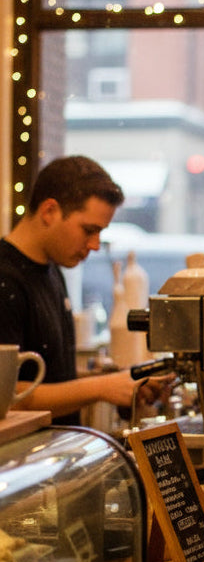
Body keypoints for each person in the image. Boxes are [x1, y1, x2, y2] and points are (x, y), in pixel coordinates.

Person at [0, 155, 168, 425]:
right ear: (49, 211)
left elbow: (50, 377)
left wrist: (117, 380)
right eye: (89, 230)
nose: (95, 245)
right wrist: (102, 388)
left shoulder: (51, 270)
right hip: (26, 452)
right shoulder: (5, 279)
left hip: (58, 447)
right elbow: (9, 395)